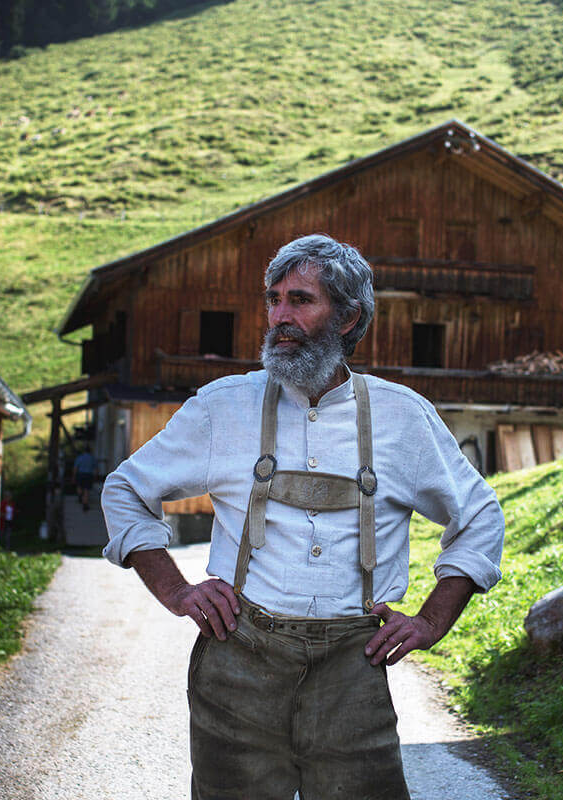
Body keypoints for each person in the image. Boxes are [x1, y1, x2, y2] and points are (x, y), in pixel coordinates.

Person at [102, 234, 504, 800]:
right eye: (273, 299)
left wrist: (432, 621)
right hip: (238, 658)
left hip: (353, 669)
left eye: (300, 300)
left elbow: (480, 516)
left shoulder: (402, 417)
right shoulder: (224, 407)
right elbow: (125, 489)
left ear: (347, 317)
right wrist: (176, 591)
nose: (280, 317)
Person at [73, 447, 95, 511]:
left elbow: (75, 467)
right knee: (86, 489)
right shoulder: (92, 458)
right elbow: (95, 468)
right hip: (88, 475)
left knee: (79, 486)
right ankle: (85, 503)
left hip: (80, 474)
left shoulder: (80, 457)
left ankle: (80, 495)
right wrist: (95, 476)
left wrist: (74, 476)